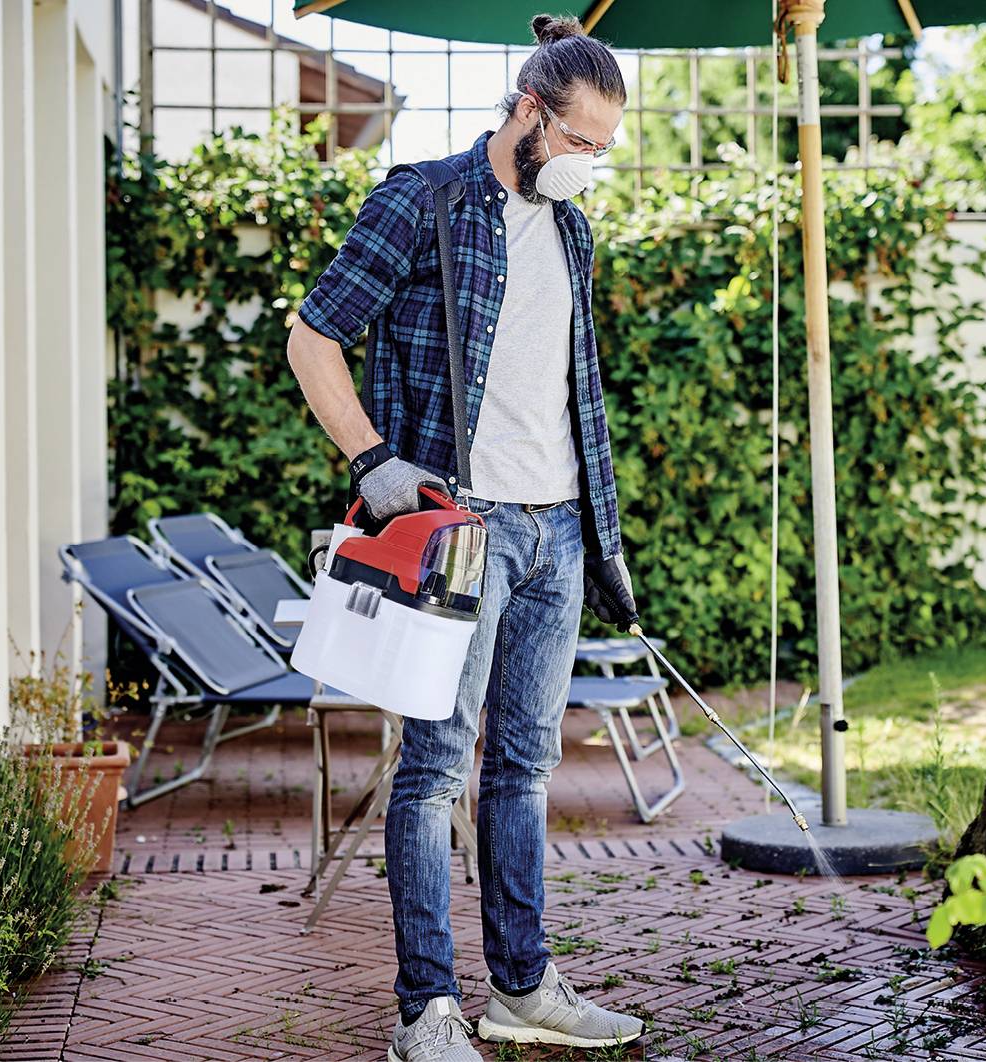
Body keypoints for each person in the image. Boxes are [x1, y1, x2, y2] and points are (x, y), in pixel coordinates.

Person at [285, 14, 645, 1061]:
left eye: (604, 150)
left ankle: (522, 989)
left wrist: (599, 532)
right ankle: (424, 1010)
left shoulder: (571, 231)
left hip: (559, 531)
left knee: (525, 768)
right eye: (580, 142)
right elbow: (312, 337)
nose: (591, 165)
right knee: (434, 768)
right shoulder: (421, 200)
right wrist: (372, 463)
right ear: (528, 112)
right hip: (462, 534)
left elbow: (571, 392)